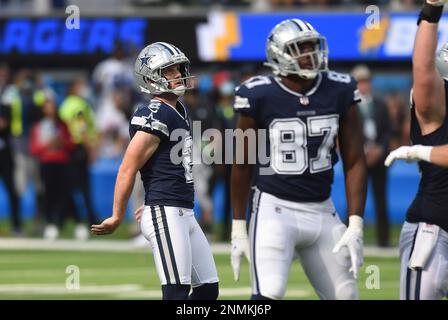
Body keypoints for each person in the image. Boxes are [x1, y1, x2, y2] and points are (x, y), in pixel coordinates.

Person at [230, 19, 367, 300]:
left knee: (346, 295)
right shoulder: (258, 93)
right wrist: (238, 226)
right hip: (274, 210)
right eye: (299, 48)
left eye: (312, 47)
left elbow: (355, 159)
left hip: (323, 211)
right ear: (278, 53)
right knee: (269, 294)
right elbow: (242, 163)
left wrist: (355, 223)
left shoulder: (339, 89)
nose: (309, 54)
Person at [91, 42, 219, 300]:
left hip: (182, 210)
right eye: (169, 71)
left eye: (178, 68)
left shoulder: (179, 110)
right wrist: (117, 214)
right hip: (167, 210)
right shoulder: (155, 112)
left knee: (207, 290)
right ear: (151, 77)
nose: (178, 74)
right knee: (176, 292)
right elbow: (128, 167)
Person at [383, 0, 448, 300]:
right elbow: (422, 68)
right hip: (437, 230)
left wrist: (420, 153)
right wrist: (432, 11)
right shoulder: (435, 103)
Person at [352, 64, 392, 247]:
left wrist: (379, 149)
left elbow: (388, 131)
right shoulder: (350, 106)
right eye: (360, 82)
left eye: (366, 81)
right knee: (354, 198)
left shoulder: (380, 104)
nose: (363, 85)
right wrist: (362, 151)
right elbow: (347, 134)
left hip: (378, 157)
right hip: (358, 158)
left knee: (380, 199)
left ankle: (383, 240)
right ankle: (351, 237)